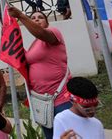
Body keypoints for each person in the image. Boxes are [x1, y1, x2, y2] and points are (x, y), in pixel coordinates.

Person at [8, 7, 71, 139]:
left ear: (47, 23)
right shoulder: (34, 44)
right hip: (42, 102)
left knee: (67, 135)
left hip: (60, 99)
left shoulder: (53, 33)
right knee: (50, 136)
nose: (36, 19)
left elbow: (41, 33)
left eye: (40, 17)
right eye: (33, 18)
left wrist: (21, 15)